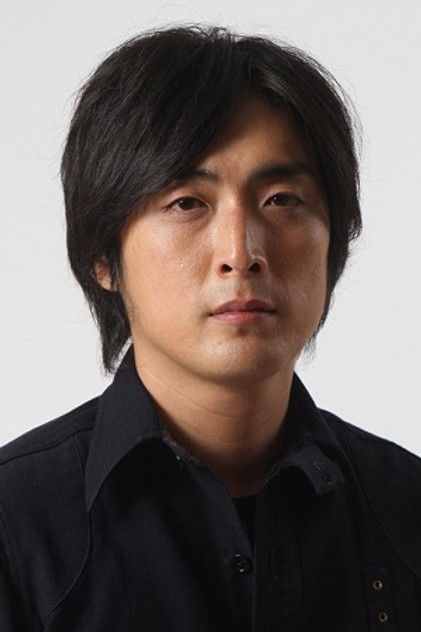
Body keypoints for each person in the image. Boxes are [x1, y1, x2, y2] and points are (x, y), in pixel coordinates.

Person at [1, 25, 420, 631]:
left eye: (282, 199)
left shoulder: (405, 506)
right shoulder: (18, 526)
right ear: (103, 257)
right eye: (187, 203)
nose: (241, 253)